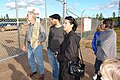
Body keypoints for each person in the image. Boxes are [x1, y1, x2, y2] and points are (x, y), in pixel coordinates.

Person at [21, 11, 46, 80]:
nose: (26, 17)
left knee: (39, 60)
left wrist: (40, 41)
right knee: (30, 59)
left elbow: (44, 35)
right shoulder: (28, 26)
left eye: (27, 15)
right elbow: (26, 36)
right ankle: (34, 71)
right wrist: (24, 44)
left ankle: (42, 74)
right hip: (29, 45)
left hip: (36, 46)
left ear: (32, 16)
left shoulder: (39, 25)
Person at [57, 16, 81, 80]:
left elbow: (70, 54)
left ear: (72, 25)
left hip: (68, 67)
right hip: (67, 65)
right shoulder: (68, 35)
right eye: (63, 23)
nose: (63, 24)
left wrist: (59, 57)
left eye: (66, 23)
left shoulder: (71, 37)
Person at [47, 14, 66, 80]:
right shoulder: (51, 28)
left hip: (59, 53)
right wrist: (48, 47)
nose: (51, 21)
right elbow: (49, 38)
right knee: (54, 68)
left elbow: (66, 41)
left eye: (52, 19)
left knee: (60, 68)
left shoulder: (64, 28)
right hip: (50, 51)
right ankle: (56, 78)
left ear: (57, 19)